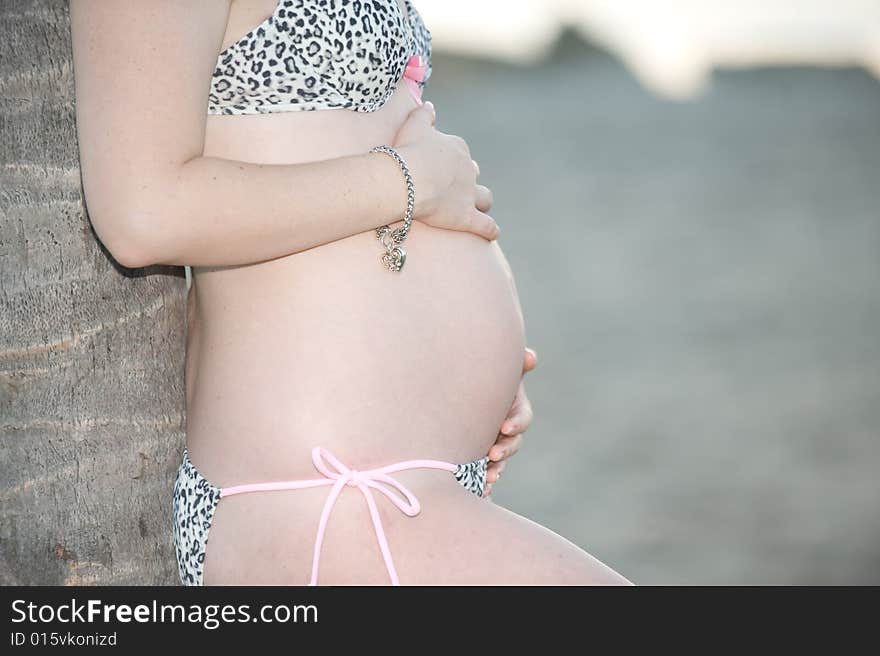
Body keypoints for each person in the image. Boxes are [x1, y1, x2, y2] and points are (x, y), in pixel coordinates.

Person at [70, 0, 630, 585]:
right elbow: (143, 211)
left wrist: (460, 380)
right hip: (326, 497)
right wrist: (409, 181)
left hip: (402, 489)